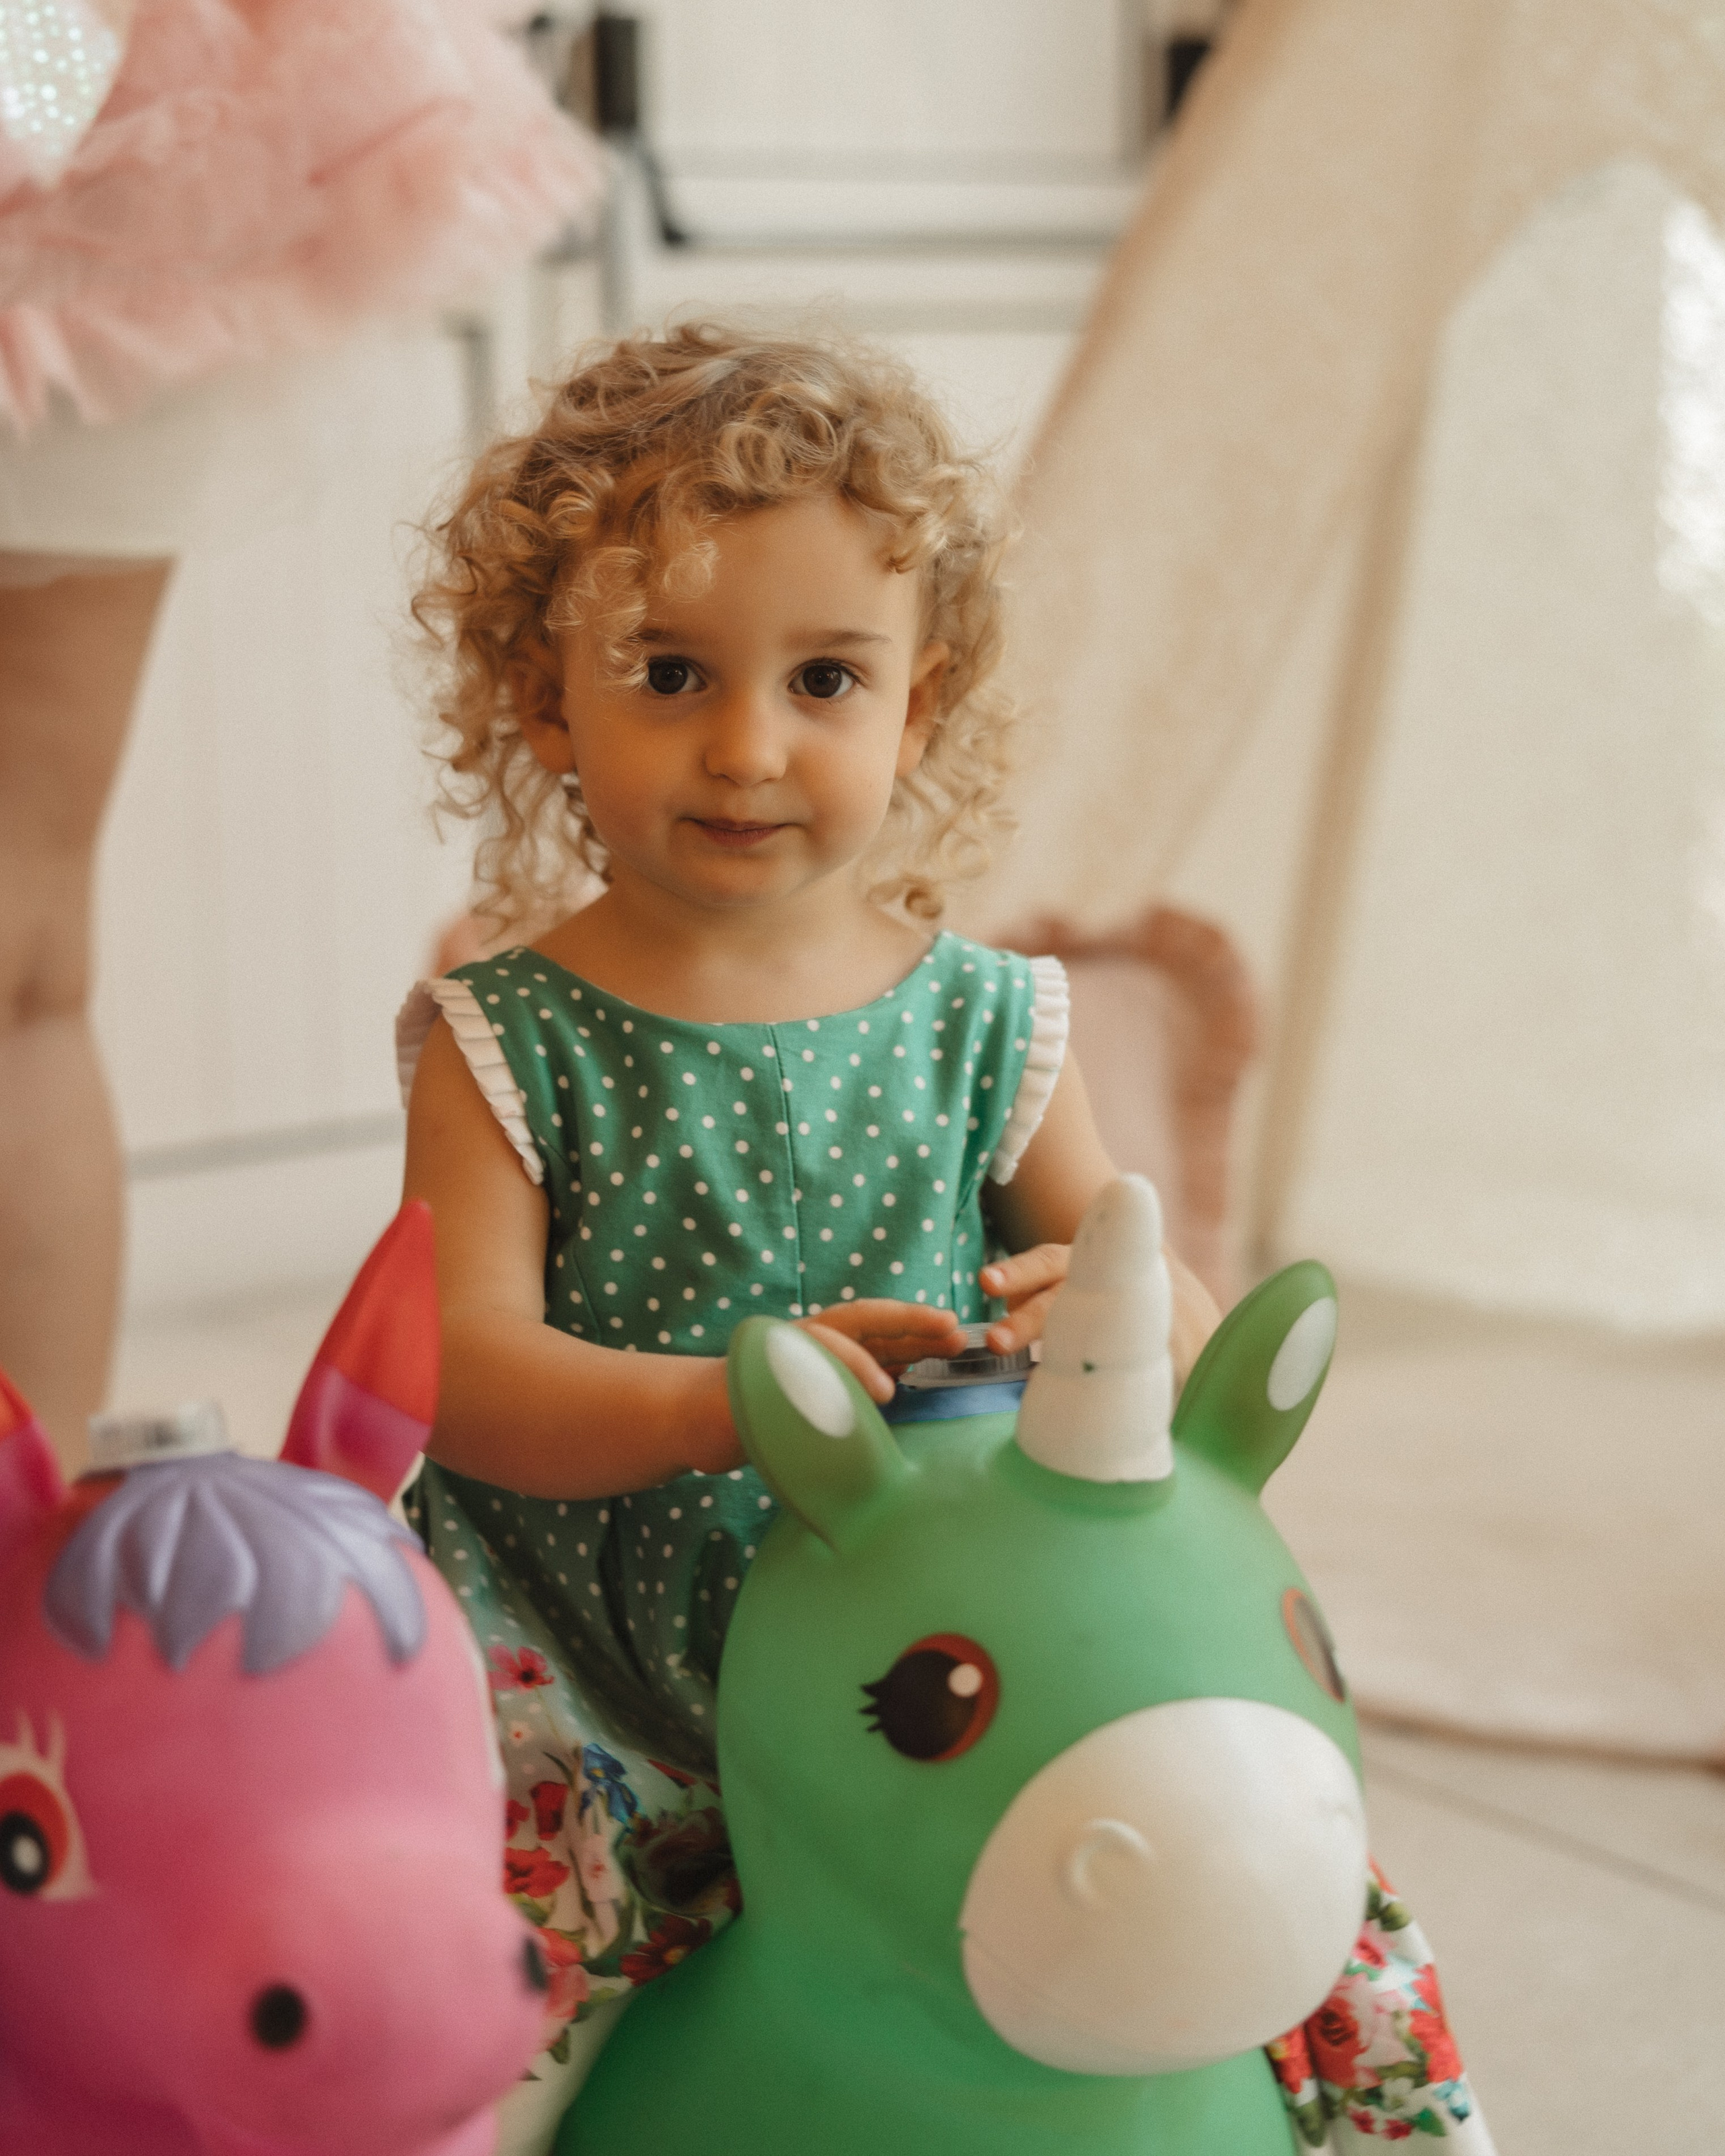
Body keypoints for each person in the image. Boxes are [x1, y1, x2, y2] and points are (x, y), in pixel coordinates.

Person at [397, 323, 1490, 2154]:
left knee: (1278, 1887)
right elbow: (462, 1374)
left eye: (826, 678)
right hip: (602, 1675)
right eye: (670, 673)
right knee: (481, 2030)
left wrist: (1129, 1322)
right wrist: (710, 1411)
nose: (750, 746)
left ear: (925, 696)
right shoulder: (509, 1040)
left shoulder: (993, 1022)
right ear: (540, 694)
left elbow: (1179, 1351)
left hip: (962, 1668)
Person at [0, 0, 600, 1468]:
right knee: (26, 953)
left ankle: (25, 1568)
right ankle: (29, 1583)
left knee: (21, 939)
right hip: (109, 121)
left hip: (80, 111)